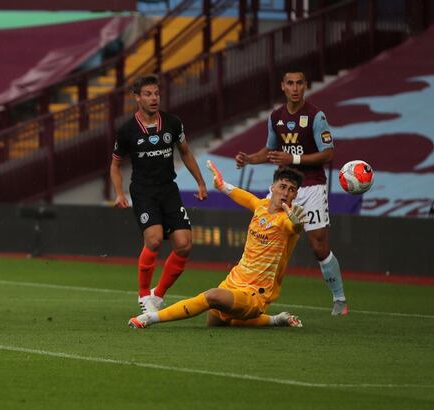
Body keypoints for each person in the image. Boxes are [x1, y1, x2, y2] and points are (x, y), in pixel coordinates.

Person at [129, 161, 304, 329]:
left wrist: (298, 223)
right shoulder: (261, 206)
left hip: (255, 294)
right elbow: (241, 195)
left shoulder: (286, 221)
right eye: (282, 187)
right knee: (217, 323)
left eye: (292, 190)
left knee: (211, 296)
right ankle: (275, 320)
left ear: (295, 196)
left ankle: (150, 318)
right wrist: (220, 184)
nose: (286, 192)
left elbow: (295, 227)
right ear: (272, 188)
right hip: (233, 281)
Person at [235, 70, 348, 316]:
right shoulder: (276, 117)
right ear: (283, 87)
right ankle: (251, 292)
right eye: (290, 83)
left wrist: (293, 157)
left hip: (312, 186)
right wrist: (249, 159)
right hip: (284, 188)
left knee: (318, 246)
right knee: (265, 239)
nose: (295, 88)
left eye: (299, 83)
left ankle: (339, 298)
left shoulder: (316, 116)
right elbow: (270, 150)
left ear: (305, 86)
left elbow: (328, 153)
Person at [110, 74, 208, 314]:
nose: (154, 98)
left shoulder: (173, 123)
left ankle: (158, 295)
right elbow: (115, 164)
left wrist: (200, 182)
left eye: (156, 93)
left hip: (168, 189)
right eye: (148, 94)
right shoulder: (127, 130)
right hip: (143, 191)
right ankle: (143, 295)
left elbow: (185, 152)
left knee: (184, 245)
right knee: (153, 239)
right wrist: (119, 193)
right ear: (137, 98)